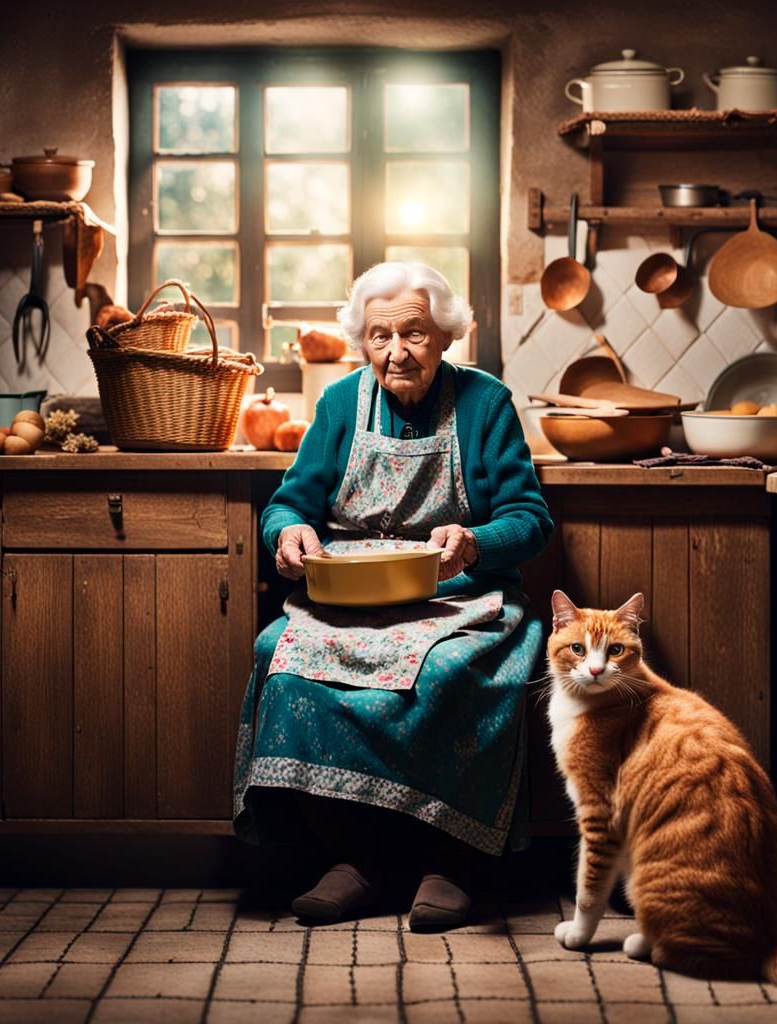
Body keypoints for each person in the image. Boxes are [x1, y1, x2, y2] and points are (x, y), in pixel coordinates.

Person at [233, 261, 553, 931]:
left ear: (444, 336)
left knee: (446, 674)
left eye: (413, 334)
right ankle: (354, 860)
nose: (396, 352)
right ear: (362, 342)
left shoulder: (485, 402)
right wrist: (288, 531)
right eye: (380, 337)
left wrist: (472, 542)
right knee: (282, 656)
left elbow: (530, 518)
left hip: (462, 600)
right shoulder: (339, 404)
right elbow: (292, 502)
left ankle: (448, 861)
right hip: (349, 600)